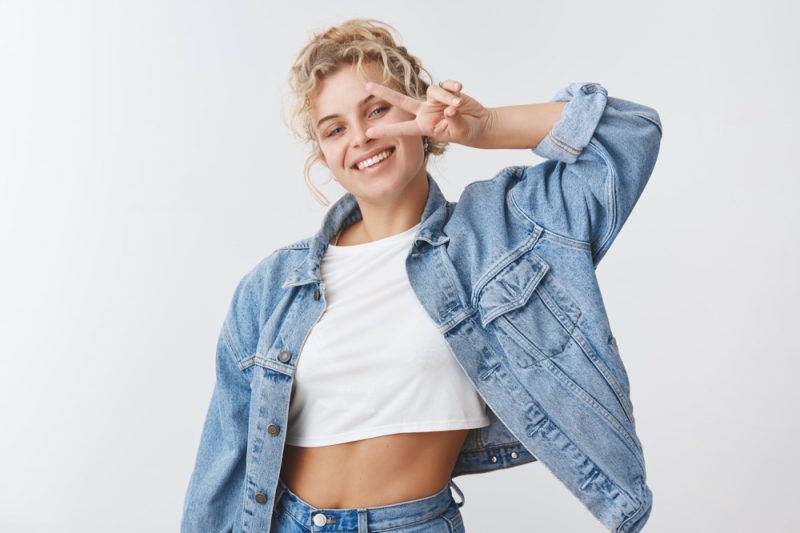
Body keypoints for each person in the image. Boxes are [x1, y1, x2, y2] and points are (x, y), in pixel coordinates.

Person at [181, 18, 662, 533]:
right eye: (335, 128)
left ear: (420, 113)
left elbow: (628, 133)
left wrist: (484, 126)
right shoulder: (272, 285)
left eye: (378, 110)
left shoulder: (499, 233)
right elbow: (225, 462)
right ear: (322, 154)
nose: (362, 137)